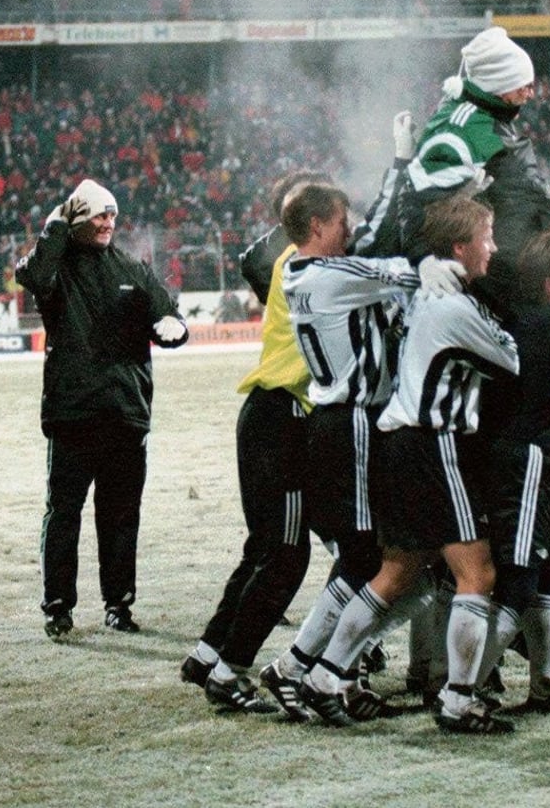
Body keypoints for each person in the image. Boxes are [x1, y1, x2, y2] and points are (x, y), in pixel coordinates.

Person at [295, 197, 520, 734]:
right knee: (477, 572)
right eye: (487, 237)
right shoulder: (453, 305)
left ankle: (325, 675)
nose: (494, 246)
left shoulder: (426, 296)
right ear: (460, 248)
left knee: (397, 571)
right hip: (433, 444)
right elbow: (509, 358)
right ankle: (460, 698)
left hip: (398, 443)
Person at [261, 183, 428, 726]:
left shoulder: (299, 274)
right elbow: (403, 271)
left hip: (337, 422)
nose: (348, 229)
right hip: (350, 421)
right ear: (316, 227)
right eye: (340, 221)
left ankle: (329, 671)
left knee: (365, 555)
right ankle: (298, 667)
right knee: (361, 557)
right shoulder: (332, 276)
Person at [15, 178, 188, 638]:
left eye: (112, 214)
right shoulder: (56, 269)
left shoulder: (132, 266)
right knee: (64, 511)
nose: (108, 221)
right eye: (97, 214)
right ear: (76, 218)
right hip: (73, 413)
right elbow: (31, 274)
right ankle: (58, 606)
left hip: (125, 412)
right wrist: (54, 225)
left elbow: (168, 314)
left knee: (120, 514)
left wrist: (174, 325)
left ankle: (119, 604)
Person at [180, 172, 324, 717]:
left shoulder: (288, 260)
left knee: (265, 550)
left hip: (266, 415)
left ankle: (208, 654)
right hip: (283, 417)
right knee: (287, 555)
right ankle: (229, 671)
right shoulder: (307, 266)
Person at [471, 229, 550, 714]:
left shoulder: (536, 320)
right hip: (523, 462)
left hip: (533, 462)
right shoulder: (548, 327)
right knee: (520, 579)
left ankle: (545, 682)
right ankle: (461, 688)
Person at [399, 25, 550, 313]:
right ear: (500, 86)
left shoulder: (489, 116)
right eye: (523, 86)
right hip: (490, 289)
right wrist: (423, 259)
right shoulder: (459, 132)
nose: (530, 93)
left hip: (509, 281)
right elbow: (412, 201)